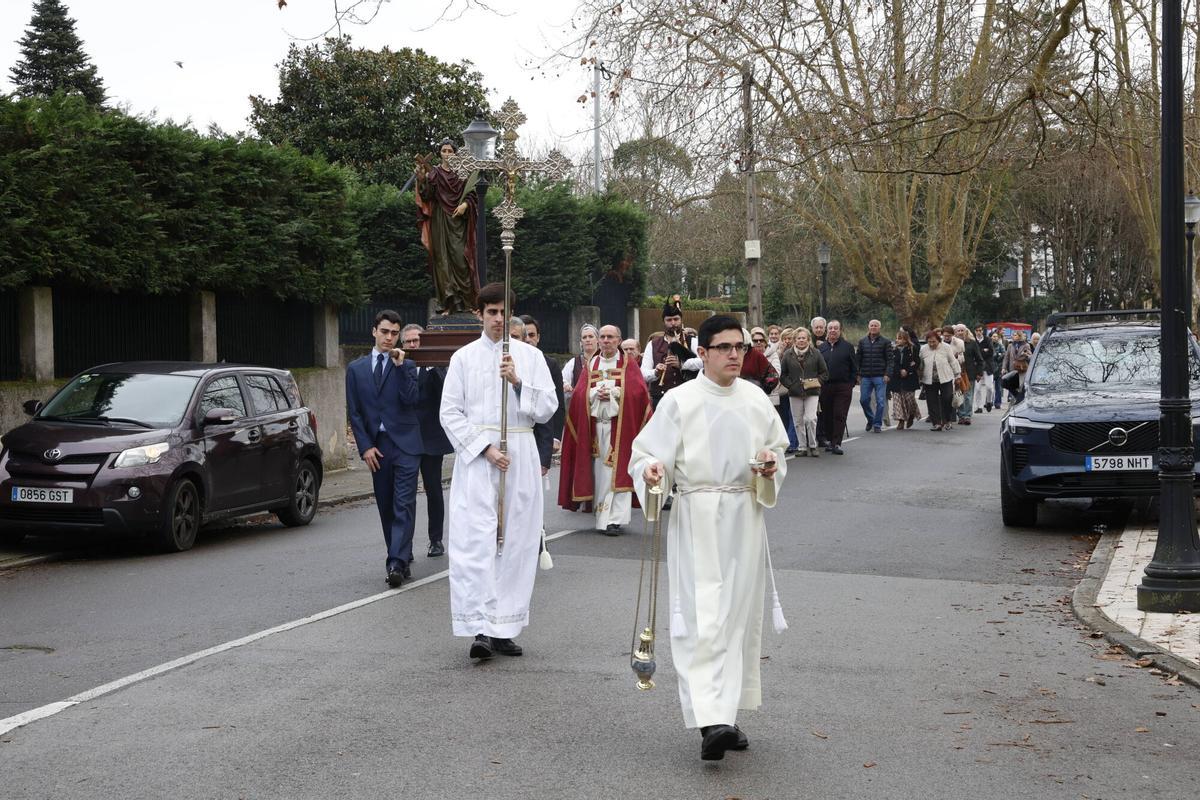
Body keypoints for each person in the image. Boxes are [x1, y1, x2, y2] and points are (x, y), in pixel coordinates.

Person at [629, 314, 788, 762]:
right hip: (698, 514)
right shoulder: (679, 401)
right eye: (725, 347)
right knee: (703, 615)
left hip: (744, 514)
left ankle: (726, 713)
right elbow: (644, 455)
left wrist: (771, 464)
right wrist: (652, 470)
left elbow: (777, 449)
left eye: (740, 346)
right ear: (703, 354)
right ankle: (710, 719)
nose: (735, 354)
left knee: (736, 615)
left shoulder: (756, 398)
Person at [438, 282, 558, 661]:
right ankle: (479, 627)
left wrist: (518, 382)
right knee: (476, 542)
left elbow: (548, 408)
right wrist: (484, 448)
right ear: (479, 314)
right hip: (478, 459)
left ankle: (504, 625)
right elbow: (450, 413)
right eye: (490, 312)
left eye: (503, 313)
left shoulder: (530, 357)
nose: (497, 319)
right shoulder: (463, 358)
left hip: (519, 451)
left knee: (517, 541)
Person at [346, 311, 423, 587]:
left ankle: (396, 563)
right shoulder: (356, 369)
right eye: (385, 332)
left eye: (394, 333)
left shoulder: (407, 365)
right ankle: (402, 553)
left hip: (406, 445)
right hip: (377, 448)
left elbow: (411, 399)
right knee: (386, 504)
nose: (390, 337)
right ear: (374, 331)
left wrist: (402, 368)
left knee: (404, 503)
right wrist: (365, 447)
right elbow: (354, 413)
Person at [559, 325, 652, 534]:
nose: (606, 340)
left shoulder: (628, 364)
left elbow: (639, 395)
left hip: (620, 428)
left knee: (617, 471)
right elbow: (578, 395)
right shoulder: (592, 364)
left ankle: (615, 520)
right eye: (603, 337)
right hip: (596, 428)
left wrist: (616, 393)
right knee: (601, 473)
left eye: (611, 337)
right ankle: (603, 516)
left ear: (619, 340)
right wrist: (593, 394)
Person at [401, 323, 453, 558]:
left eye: (417, 341)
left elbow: (446, 393)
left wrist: (432, 366)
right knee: (405, 494)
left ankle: (436, 540)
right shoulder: (400, 366)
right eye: (409, 341)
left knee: (433, 490)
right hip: (407, 440)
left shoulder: (437, 367)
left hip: (431, 439)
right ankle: (405, 545)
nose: (413, 345)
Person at [415, 139, 478, 314]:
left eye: (450, 151)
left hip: (458, 221)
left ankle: (466, 302)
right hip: (439, 220)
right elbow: (427, 195)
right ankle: (448, 302)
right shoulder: (433, 173)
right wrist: (422, 180)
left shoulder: (462, 174)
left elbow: (471, 194)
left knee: (461, 260)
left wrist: (465, 204)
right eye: (444, 151)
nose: (447, 154)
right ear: (440, 153)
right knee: (442, 261)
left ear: (455, 153)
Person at [521, 314, 566, 475]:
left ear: (538, 337)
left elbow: (558, 404)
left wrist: (555, 437)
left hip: (541, 434)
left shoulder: (550, 364)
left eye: (532, 335)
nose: (527, 340)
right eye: (523, 335)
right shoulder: (508, 362)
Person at [779, 326, 828, 456]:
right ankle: (802, 447)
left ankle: (813, 445)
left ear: (808, 340)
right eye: (799, 338)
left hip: (812, 391)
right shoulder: (787, 355)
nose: (801, 340)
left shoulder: (816, 353)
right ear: (795, 340)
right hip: (795, 393)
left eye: (804, 338)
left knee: (810, 419)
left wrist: (816, 382)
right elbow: (783, 375)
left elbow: (824, 373)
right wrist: (791, 385)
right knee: (798, 421)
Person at [642, 300, 696, 407]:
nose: (673, 323)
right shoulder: (652, 344)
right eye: (669, 320)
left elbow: (704, 362)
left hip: (687, 398)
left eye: (676, 319)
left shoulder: (693, 341)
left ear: (681, 320)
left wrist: (682, 364)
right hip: (660, 399)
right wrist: (656, 372)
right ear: (664, 322)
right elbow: (643, 373)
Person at [817, 320, 856, 454]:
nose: (833, 330)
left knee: (839, 414)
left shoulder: (848, 347)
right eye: (831, 328)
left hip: (843, 386)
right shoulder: (821, 348)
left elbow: (854, 367)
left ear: (840, 330)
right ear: (827, 330)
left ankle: (836, 443)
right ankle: (829, 440)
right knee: (827, 415)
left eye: (836, 328)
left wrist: (851, 384)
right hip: (826, 386)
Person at [919, 330, 958, 431]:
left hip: (945, 378)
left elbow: (953, 361)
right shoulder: (923, 349)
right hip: (929, 379)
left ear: (939, 340)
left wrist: (957, 375)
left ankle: (947, 420)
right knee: (932, 401)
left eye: (934, 342)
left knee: (947, 398)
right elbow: (921, 364)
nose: (931, 344)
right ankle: (936, 423)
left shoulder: (946, 347)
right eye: (929, 342)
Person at [857, 319, 892, 433]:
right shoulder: (862, 342)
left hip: (880, 376)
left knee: (880, 402)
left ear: (879, 328)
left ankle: (877, 424)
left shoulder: (886, 342)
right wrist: (857, 374)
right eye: (871, 325)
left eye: (876, 326)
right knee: (863, 400)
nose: (873, 327)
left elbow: (890, 360)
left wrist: (887, 374)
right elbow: (858, 359)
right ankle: (871, 419)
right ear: (868, 327)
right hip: (865, 376)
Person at [888, 328, 921, 429]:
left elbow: (916, 362)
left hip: (909, 378)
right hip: (896, 378)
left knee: (909, 399)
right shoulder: (893, 350)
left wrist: (907, 370)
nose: (898, 340)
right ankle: (901, 420)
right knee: (898, 401)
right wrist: (899, 371)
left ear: (906, 340)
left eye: (900, 338)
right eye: (897, 338)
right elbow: (892, 363)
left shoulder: (912, 349)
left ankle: (911, 415)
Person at [954, 324, 985, 426]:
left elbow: (980, 359)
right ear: (955, 332)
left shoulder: (972, 343)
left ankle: (967, 415)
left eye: (962, 330)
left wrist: (979, 373)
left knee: (968, 395)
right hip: (956, 373)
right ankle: (961, 415)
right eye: (958, 331)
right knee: (959, 394)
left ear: (966, 331)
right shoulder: (952, 344)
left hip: (969, 373)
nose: (960, 332)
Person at [562, 324, 599, 402]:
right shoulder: (573, 363)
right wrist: (565, 385)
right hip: (580, 407)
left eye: (591, 336)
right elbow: (563, 380)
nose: (587, 339)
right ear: (581, 342)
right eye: (584, 337)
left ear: (597, 340)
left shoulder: (604, 361)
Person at [974, 325, 995, 413]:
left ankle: (989, 401)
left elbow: (991, 352)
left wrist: (979, 352)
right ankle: (979, 407)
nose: (979, 332)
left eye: (980, 330)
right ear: (975, 331)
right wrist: (983, 351)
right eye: (977, 330)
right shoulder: (973, 341)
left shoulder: (988, 339)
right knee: (977, 388)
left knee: (989, 387)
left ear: (983, 331)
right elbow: (974, 354)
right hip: (977, 367)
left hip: (988, 367)